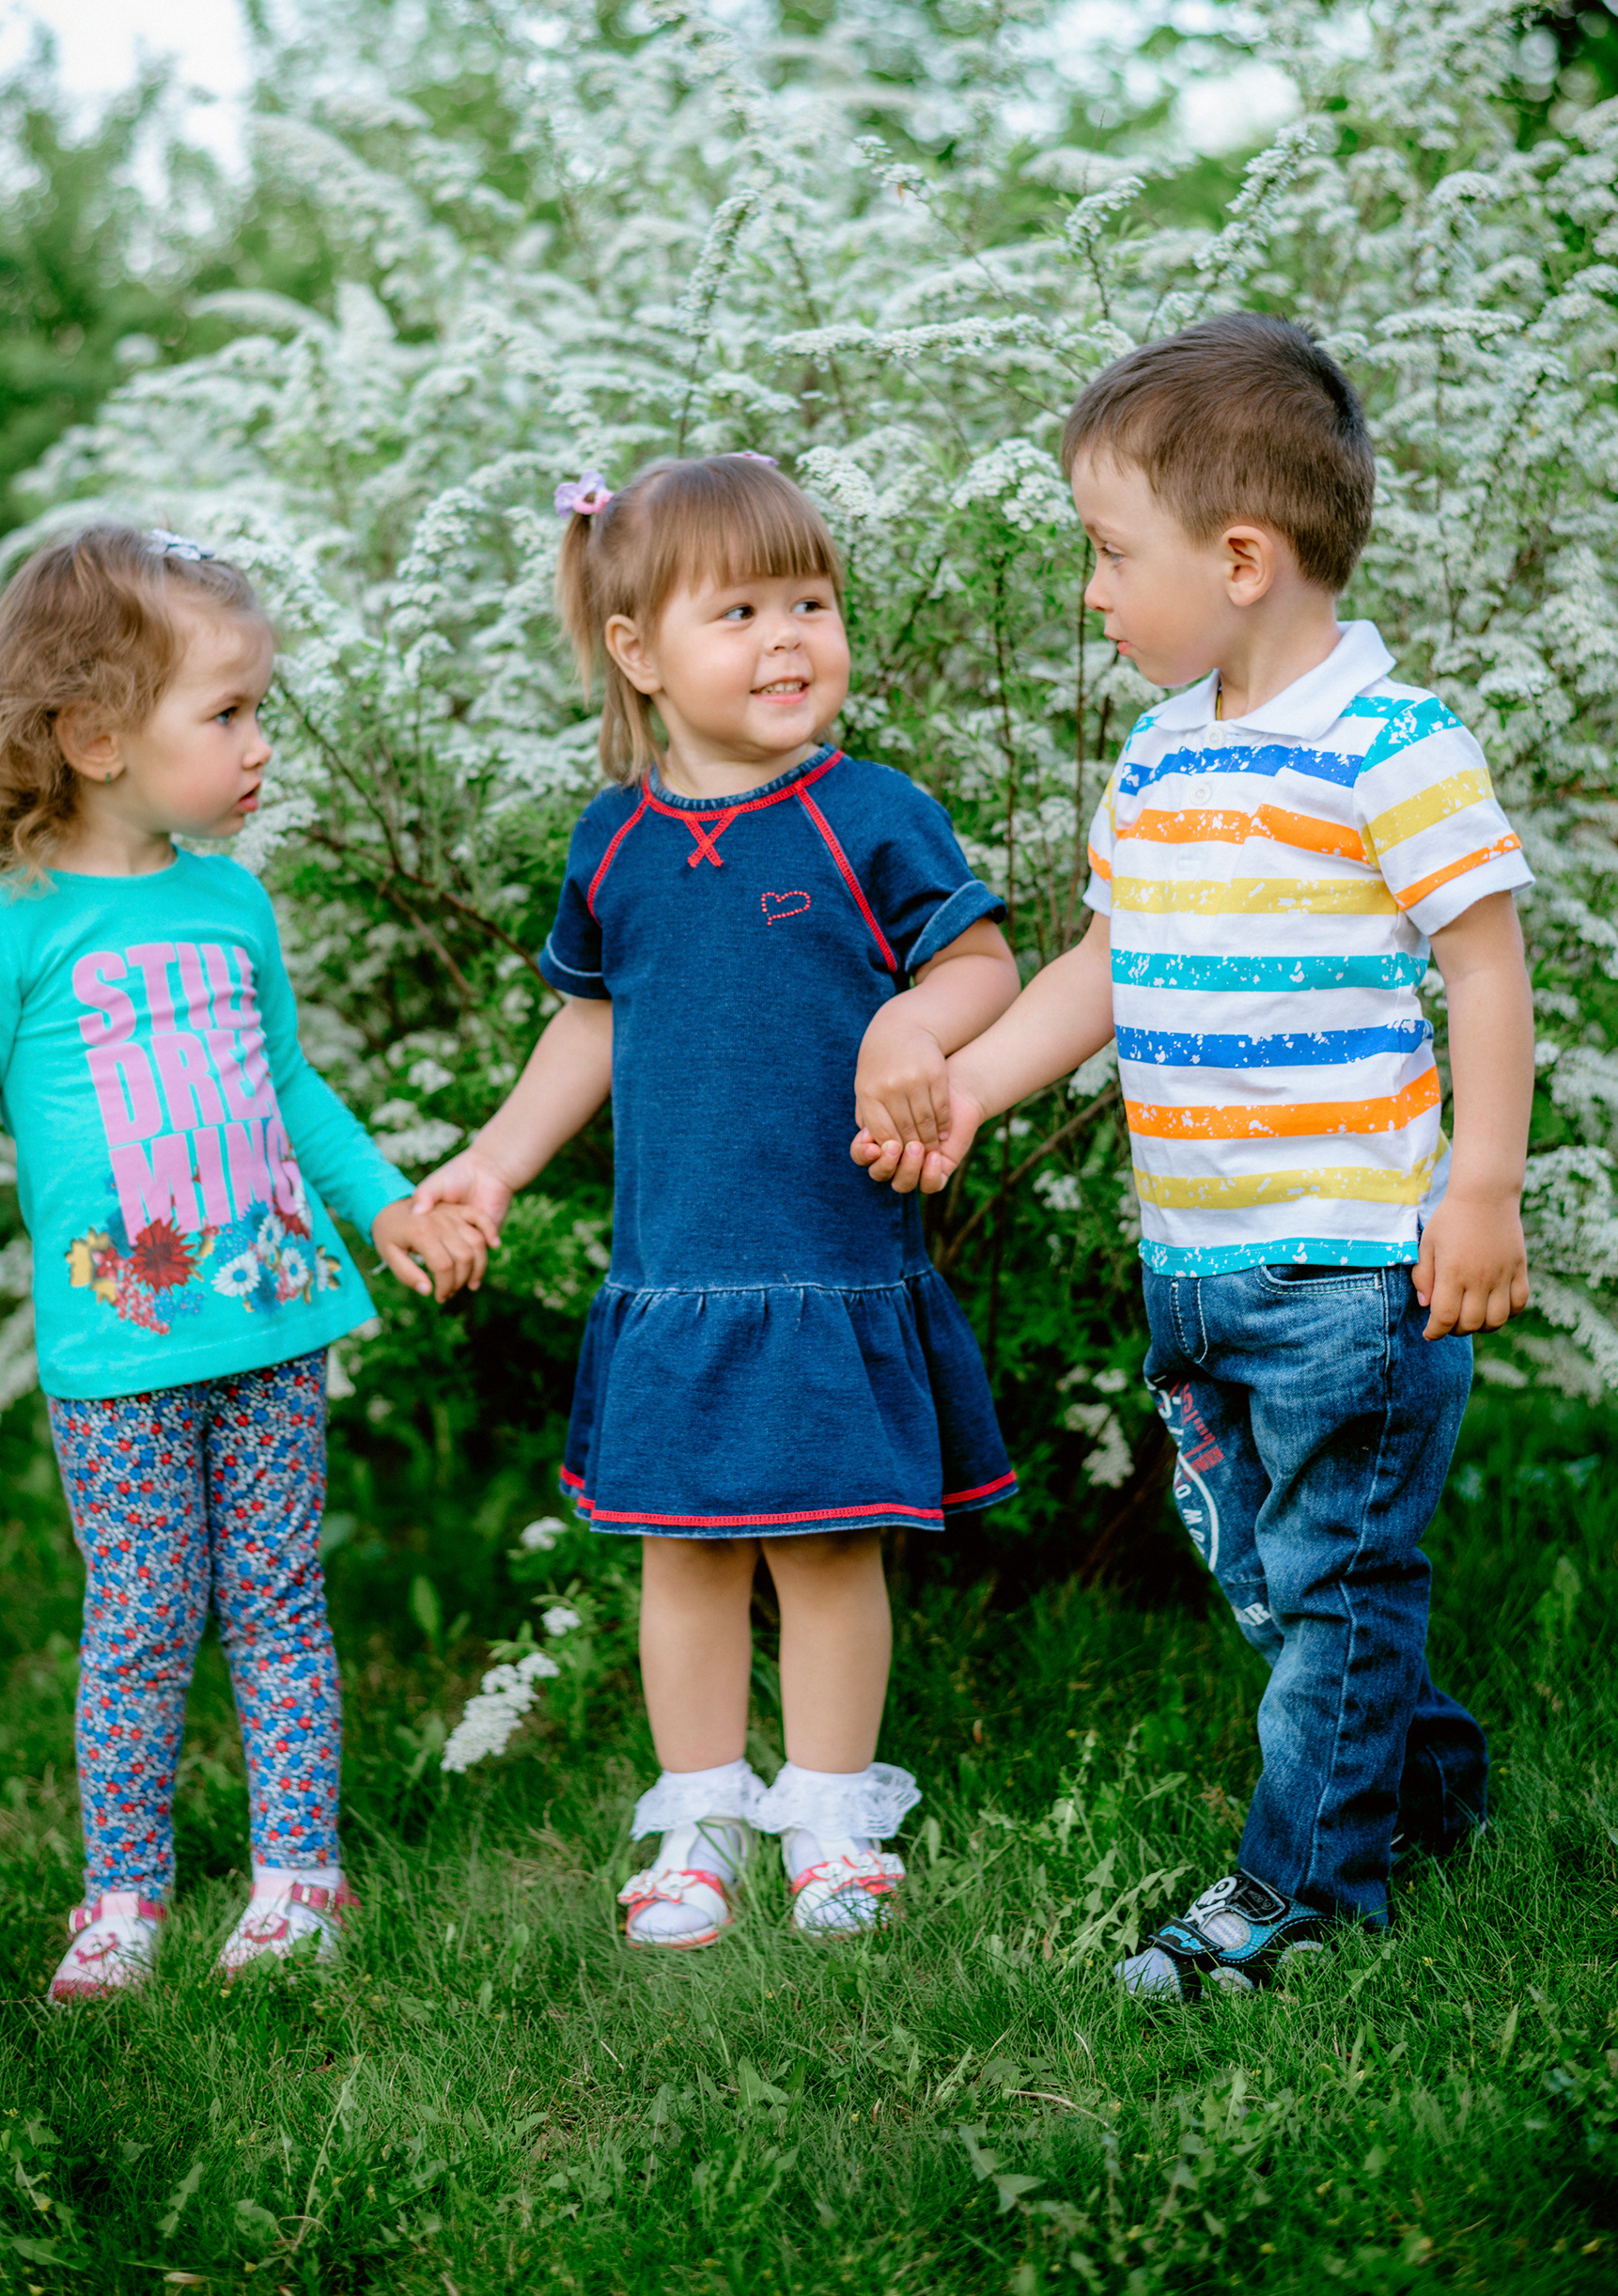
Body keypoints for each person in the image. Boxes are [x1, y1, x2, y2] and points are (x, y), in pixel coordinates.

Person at [860, 313, 1533, 1995]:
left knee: (1335, 1580)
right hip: (1198, 1259)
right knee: (1281, 1577)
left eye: (1110, 552)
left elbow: (1485, 970)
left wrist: (1480, 1190)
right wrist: (969, 1086)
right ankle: (1426, 1786)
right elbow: (1106, 968)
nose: (1092, 591)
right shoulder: (1163, 753)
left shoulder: (1393, 745)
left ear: (1241, 559)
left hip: (1353, 1268)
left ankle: (1303, 1890)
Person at [411, 453, 1019, 1945]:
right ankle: (698, 1819)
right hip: (677, 1273)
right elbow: (592, 1023)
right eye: (738, 613)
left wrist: (912, 1024)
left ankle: (831, 1814)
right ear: (639, 653)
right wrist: (493, 1160)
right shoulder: (614, 841)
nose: (788, 638)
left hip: (826, 1262)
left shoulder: (867, 814)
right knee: (681, 1552)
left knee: (828, 1546)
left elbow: (982, 966)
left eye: (810, 601)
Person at [0, 523, 492, 2003]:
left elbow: (288, 1085)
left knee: (280, 1602)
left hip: (275, 1324)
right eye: (225, 712)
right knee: (145, 1621)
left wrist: (387, 1207)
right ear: (96, 736)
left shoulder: (231, 902)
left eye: (257, 708)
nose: (259, 743)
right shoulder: (0, 930)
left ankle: (300, 1876)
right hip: (120, 1355)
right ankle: (123, 1894)